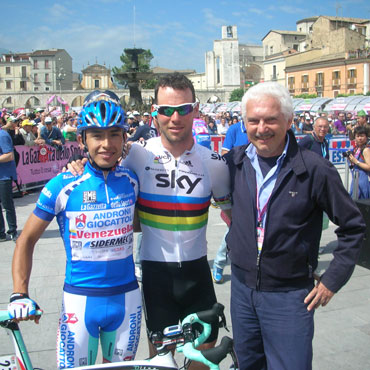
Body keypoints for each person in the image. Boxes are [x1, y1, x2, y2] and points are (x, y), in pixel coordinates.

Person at [68, 75, 232, 370]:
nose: (175, 117)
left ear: (195, 109)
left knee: (205, 359)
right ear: (154, 112)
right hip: (156, 277)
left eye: (183, 108)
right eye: (166, 110)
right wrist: (77, 167)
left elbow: (233, 217)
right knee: (161, 362)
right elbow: (101, 171)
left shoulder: (214, 163)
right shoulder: (137, 156)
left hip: (198, 275)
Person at [225, 82, 365, 370]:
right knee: (248, 365)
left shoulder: (314, 169)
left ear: (289, 121)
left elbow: (353, 226)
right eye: (253, 120)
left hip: (288, 296)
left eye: (270, 119)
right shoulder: (235, 162)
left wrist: (332, 280)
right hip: (242, 291)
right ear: (244, 123)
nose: (261, 128)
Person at [8, 95, 142, 368]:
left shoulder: (131, 179)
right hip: (79, 302)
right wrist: (20, 293)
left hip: (127, 299)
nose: (107, 144)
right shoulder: (63, 184)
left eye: (114, 134)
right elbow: (26, 239)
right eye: (97, 135)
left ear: (124, 138)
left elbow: (136, 224)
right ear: (82, 140)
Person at [212, 116, 248, 284]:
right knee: (233, 230)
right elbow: (225, 154)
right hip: (237, 189)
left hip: (255, 190)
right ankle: (219, 264)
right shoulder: (235, 129)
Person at [0, 128, 18, 242]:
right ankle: (1, 233)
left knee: (7, 205)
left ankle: (13, 231)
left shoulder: (2, 135)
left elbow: (9, 155)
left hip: (4, 177)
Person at [347, 126, 370, 199]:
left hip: (364, 181)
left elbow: (369, 167)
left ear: (366, 137)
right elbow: (353, 165)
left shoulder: (366, 150)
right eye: (358, 136)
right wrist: (351, 160)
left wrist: (356, 161)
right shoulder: (356, 149)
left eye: (362, 136)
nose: (360, 138)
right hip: (355, 180)